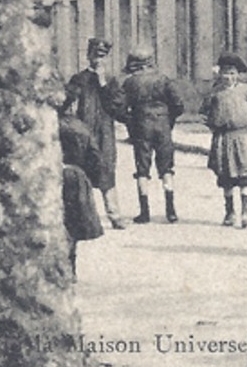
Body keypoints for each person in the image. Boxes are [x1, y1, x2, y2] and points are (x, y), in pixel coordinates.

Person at [63, 37, 127, 229]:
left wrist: (103, 83)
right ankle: (81, 216)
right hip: (83, 132)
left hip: (105, 133)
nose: (99, 60)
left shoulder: (112, 81)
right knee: (81, 171)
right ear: (88, 56)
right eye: (95, 55)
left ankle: (115, 215)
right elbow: (65, 102)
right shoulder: (79, 79)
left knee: (106, 170)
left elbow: (117, 107)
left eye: (103, 56)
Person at [121, 50, 186, 224]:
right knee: (166, 168)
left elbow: (119, 107)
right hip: (163, 124)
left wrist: (131, 122)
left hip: (141, 126)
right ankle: (170, 210)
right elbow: (178, 105)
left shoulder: (130, 82)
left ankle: (144, 212)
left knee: (142, 167)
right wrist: (168, 119)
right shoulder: (163, 80)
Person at [202, 53, 247, 228]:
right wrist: (211, 123)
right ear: (219, 74)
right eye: (225, 73)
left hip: (243, 138)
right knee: (226, 176)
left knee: (245, 174)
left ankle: (246, 210)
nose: (229, 77)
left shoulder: (246, 90)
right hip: (223, 138)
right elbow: (204, 110)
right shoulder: (215, 92)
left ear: (238, 75)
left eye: (233, 73)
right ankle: (229, 212)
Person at [58, 111, 105, 276]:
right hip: (77, 175)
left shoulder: (49, 126)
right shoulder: (81, 127)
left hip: (54, 174)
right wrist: (92, 178)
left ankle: (58, 264)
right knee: (74, 222)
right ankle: (70, 264)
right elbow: (95, 156)